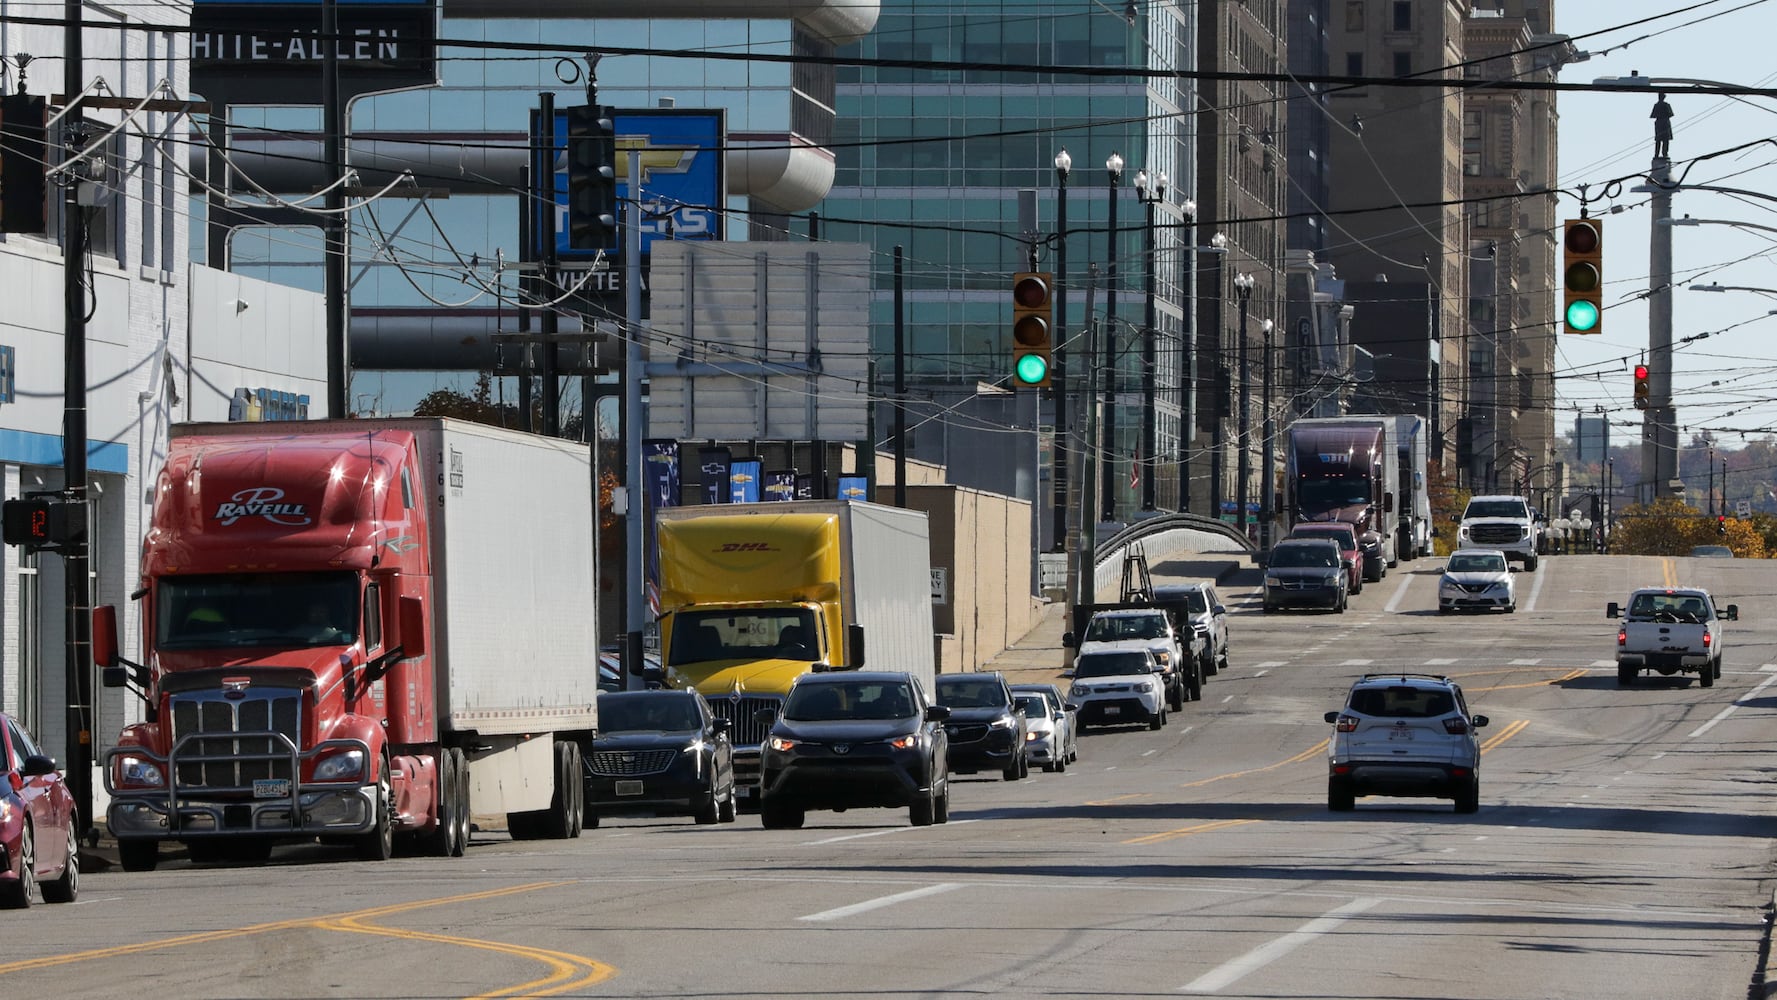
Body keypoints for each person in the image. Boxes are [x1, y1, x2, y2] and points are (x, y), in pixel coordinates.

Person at [1651, 92, 1674, 159]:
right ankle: (1662, 153)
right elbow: (1670, 114)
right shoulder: (1665, 105)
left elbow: (1653, 115)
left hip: (1660, 123)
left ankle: (1659, 154)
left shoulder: (1657, 105)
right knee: (1663, 140)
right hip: (1664, 123)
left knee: (1660, 140)